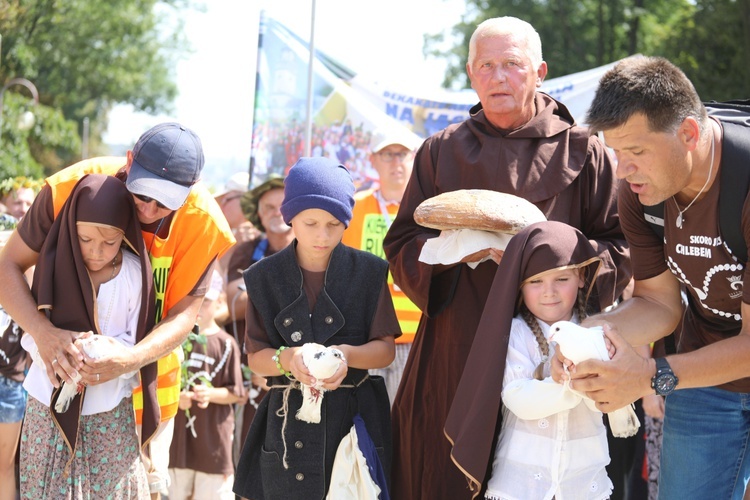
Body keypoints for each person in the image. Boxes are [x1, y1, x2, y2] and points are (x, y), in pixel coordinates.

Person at [382, 16, 631, 498]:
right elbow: (402, 243)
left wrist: (553, 259)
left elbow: (621, 249)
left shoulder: (585, 152)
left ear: (539, 71)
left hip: (552, 355)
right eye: (487, 65)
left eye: (512, 65)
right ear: (471, 73)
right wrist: (454, 252)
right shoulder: (441, 151)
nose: (499, 77)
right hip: (457, 349)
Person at [0, 122, 235, 498]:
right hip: (54, 389)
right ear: (129, 160)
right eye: (142, 194)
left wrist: (130, 359)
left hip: (150, 390)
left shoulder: (203, 222)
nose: (148, 208)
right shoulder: (71, 187)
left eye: (164, 201)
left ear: (190, 190)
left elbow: (184, 315)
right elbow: (6, 267)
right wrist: (42, 334)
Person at [555, 55, 750, 499]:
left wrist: (651, 374)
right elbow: (659, 303)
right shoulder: (639, 191)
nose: (622, 171)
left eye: (636, 152)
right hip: (704, 375)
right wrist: (579, 338)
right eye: (616, 152)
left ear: (689, 133)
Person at [232, 157, 400, 499]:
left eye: (334, 224)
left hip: (354, 422)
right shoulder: (263, 277)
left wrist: (346, 356)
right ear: (289, 216)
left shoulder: (370, 273)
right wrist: (288, 359)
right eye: (310, 223)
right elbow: (256, 356)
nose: (322, 235)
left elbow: (384, 349)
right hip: (285, 425)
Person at [446, 221, 613, 498]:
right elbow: (518, 399)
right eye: (535, 281)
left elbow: (613, 397)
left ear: (582, 277)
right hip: (521, 485)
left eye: (561, 279)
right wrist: (569, 385)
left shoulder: (597, 332)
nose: (549, 291)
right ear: (519, 286)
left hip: (583, 485)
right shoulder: (515, 333)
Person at [19, 174, 156, 497]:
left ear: (125, 234)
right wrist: (54, 350)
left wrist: (108, 352)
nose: (96, 251)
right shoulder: (49, 268)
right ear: (70, 229)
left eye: (109, 242)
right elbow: (30, 331)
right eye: (85, 239)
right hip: (47, 407)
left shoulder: (135, 275)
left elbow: (139, 340)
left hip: (108, 411)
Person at [341, 130, 422, 403]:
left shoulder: (428, 211)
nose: (395, 162)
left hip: (416, 335)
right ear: (373, 160)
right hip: (366, 337)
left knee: (405, 423)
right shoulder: (354, 208)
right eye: (387, 154)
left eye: (402, 154)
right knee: (366, 422)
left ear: (414, 159)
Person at [225, 174, 293, 451]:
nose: (276, 212)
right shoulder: (245, 251)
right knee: (250, 452)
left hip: (302, 371)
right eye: (268, 207)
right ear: (259, 216)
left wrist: (259, 287)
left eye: (283, 205)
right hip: (253, 371)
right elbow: (232, 300)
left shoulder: (314, 249)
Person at [168, 269, 244, 500]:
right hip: (178, 445)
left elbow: (237, 393)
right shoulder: (174, 339)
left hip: (213, 444)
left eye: (205, 301)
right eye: (194, 301)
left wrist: (210, 394)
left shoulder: (227, 343)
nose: (199, 308)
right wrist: (176, 398)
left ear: (219, 301)